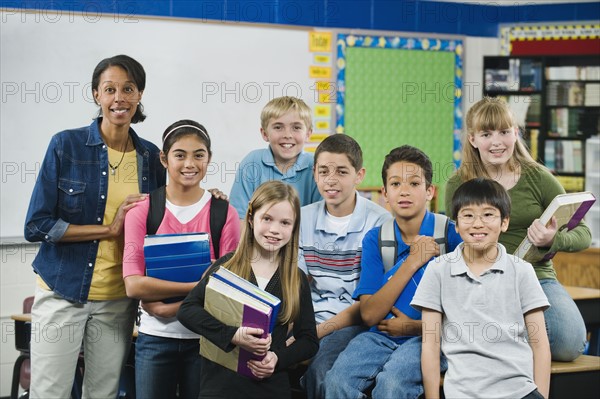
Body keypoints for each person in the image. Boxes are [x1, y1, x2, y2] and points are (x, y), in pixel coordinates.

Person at [24, 54, 166, 399]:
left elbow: (167, 219)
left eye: (128, 89)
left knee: (102, 394)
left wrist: (211, 197)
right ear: (96, 95)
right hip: (63, 291)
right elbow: (37, 226)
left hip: (117, 299)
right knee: (50, 393)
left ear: (139, 95)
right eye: (110, 89)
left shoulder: (151, 158)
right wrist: (108, 229)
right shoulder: (66, 145)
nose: (119, 98)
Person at [444, 96, 591, 361]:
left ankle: (512, 340)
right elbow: (455, 239)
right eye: (486, 134)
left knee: (569, 342)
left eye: (504, 131)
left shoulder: (539, 178)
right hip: (480, 277)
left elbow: (583, 233)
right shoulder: (459, 183)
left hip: (537, 276)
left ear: (515, 133)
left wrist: (552, 240)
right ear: (473, 139)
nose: (497, 142)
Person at [324, 145, 462, 399]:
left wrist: (415, 327)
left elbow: (468, 311)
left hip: (431, 338)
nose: (404, 191)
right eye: (396, 184)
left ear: (430, 191)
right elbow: (369, 314)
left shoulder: (452, 235)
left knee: (392, 384)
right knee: (335, 381)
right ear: (385, 194)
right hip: (379, 335)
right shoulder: (375, 239)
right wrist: (413, 261)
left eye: (414, 183)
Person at [122, 119, 241, 399]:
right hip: (154, 339)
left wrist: (167, 307)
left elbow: (229, 287)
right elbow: (133, 286)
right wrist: (193, 290)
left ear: (209, 158)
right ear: (164, 159)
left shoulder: (224, 213)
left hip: (206, 340)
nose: (190, 163)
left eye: (199, 154)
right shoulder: (142, 211)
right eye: (180, 155)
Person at [177, 181, 319, 398]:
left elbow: (308, 340)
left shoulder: (296, 278)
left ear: (294, 227)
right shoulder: (227, 266)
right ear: (251, 219)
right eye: (267, 219)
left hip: (270, 387)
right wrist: (232, 335)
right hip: (220, 386)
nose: (274, 230)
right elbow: (187, 310)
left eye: (285, 223)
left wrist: (279, 359)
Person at [414, 178, 551, 399]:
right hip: (464, 393)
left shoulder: (522, 271)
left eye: (488, 215)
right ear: (456, 224)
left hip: (520, 391)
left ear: (504, 222)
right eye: (468, 215)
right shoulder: (438, 270)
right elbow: (430, 344)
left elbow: (540, 344)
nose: (478, 224)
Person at [297, 134, 392, 399]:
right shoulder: (302, 217)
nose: (331, 179)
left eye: (342, 171)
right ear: (314, 174)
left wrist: (316, 333)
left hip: (353, 322)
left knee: (322, 372)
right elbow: (296, 282)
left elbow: (372, 303)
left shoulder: (380, 222)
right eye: (324, 171)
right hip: (309, 319)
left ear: (358, 175)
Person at [230, 96, 321, 219]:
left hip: (305, 238)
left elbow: (321, 218)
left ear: (308, 134)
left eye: (296, 128)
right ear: (265, 133)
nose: (287, 135)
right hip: (258, 238)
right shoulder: (252, 162)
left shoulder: (317, 166)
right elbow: (239, 217)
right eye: (278, 127)